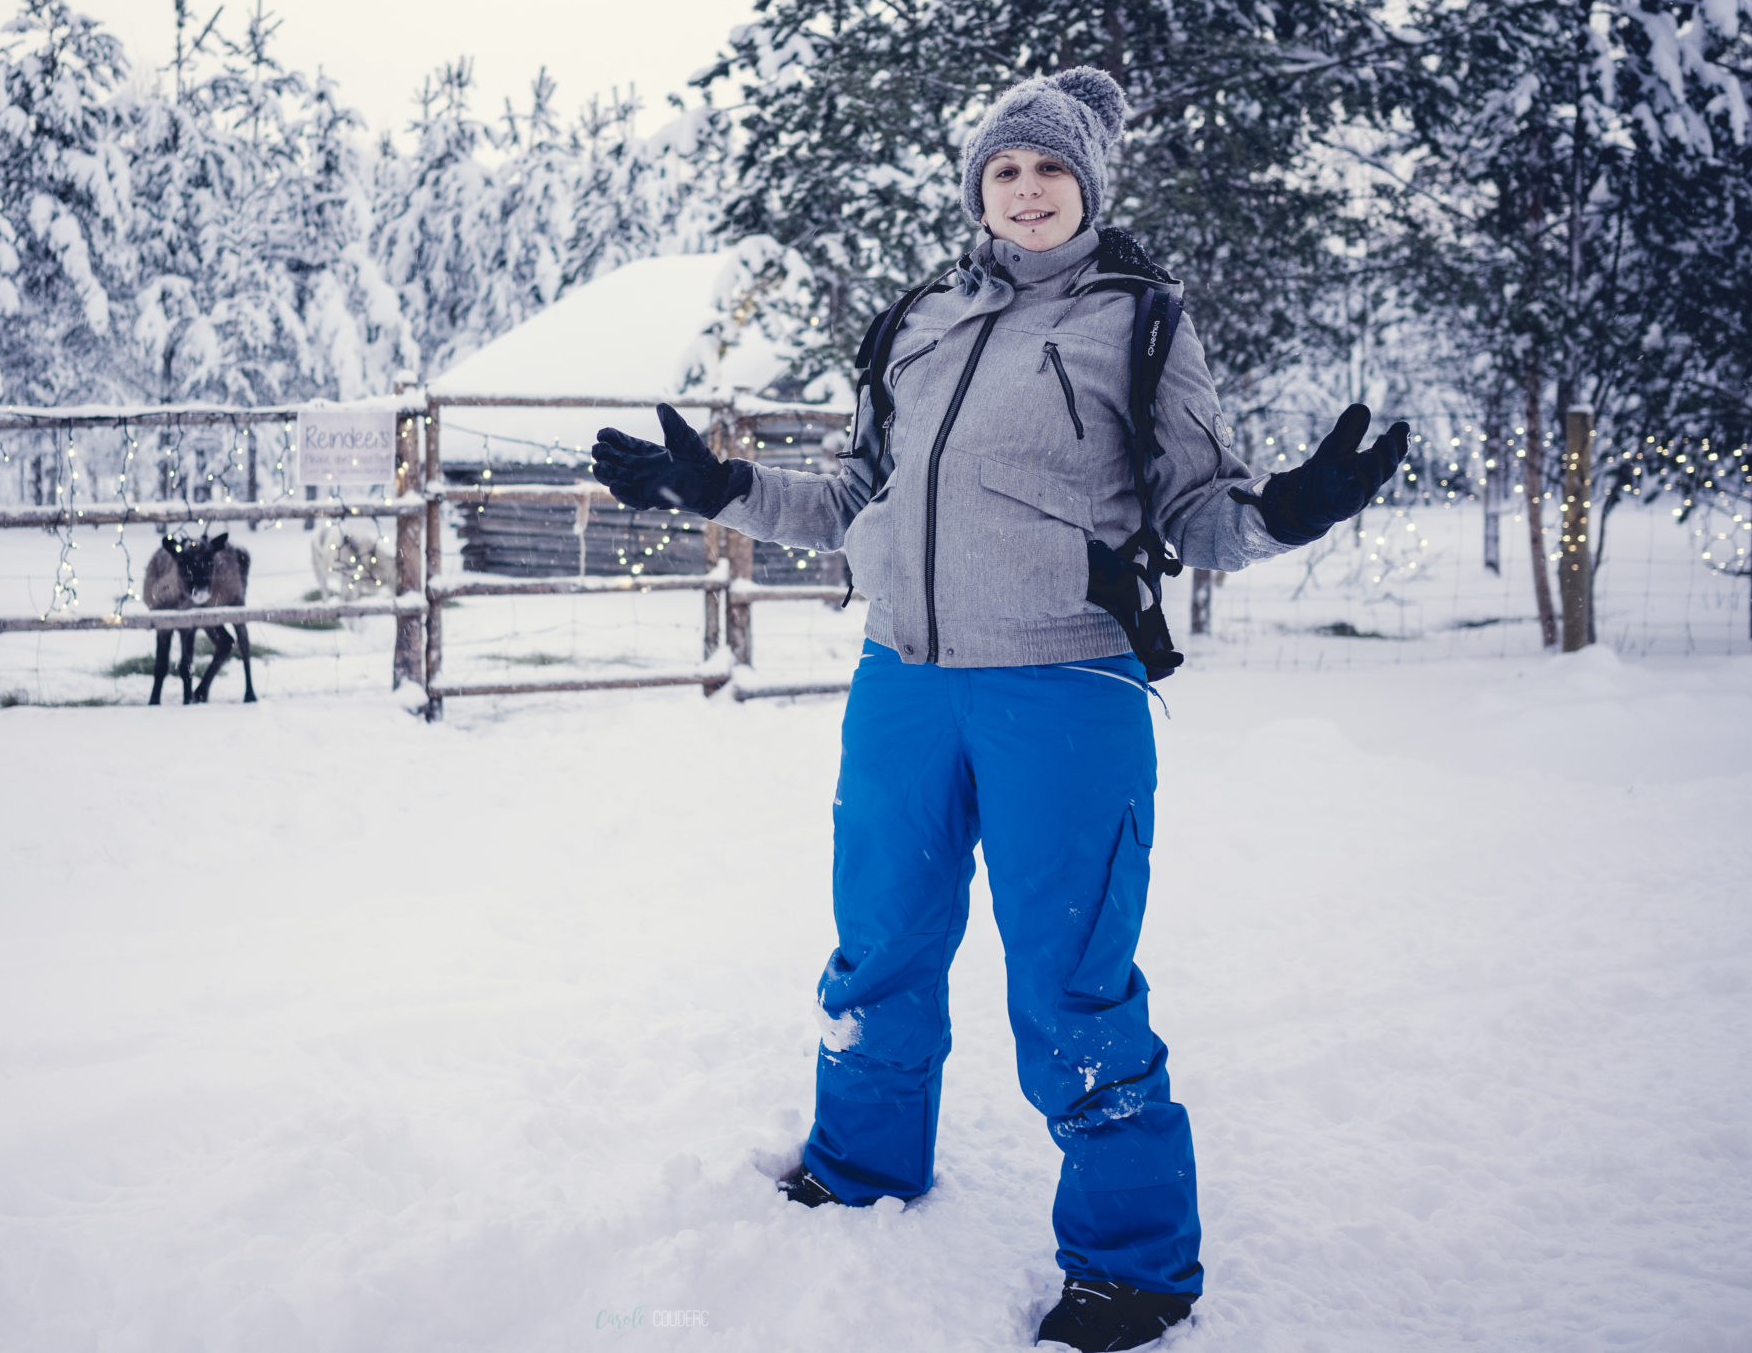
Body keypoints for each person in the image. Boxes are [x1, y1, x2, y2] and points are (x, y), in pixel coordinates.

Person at [590, 68, 1406, 1351]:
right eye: (1003, 171)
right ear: (978, 187)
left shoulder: (1139, 324)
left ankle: (1132, 1265)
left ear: (1089, 185)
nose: (1025, 190)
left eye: (1050, 170)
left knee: (1071, 980)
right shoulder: (917, 320)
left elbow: (1198, 515)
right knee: (881, 943)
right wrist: (719, 486)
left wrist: (1290, 509)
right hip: (903, 679)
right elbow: (855, 494)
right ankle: (861, 1161)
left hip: (1063, 686)